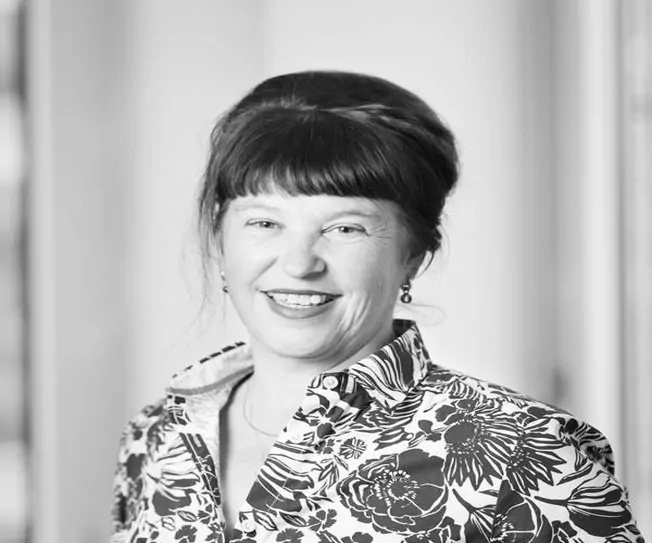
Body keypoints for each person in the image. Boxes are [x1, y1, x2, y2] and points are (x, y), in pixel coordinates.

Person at [111, 71, 643, 543]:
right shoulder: (156, 435)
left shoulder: (524, 451)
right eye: (264, 222)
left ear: (412, 255)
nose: (298, 263)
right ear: (220, 238)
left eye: (346, 228)